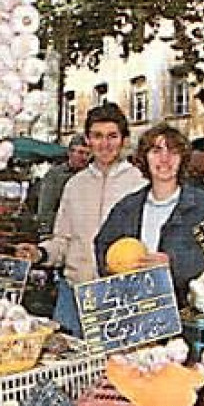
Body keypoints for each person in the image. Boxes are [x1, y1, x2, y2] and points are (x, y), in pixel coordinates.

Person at [15, 103, 144, 334]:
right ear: (88, 139)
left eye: (112, 136)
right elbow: (62, 240)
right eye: (97, 136)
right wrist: (40, 253)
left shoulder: (140, 184)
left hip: (121, 297)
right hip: (73, 295)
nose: (105, 144)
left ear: (124, 140)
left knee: (115, 368)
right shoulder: (74, 185)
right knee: (66, 363)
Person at [94, 123, 204, 305]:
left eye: (173, 152)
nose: (164, 159)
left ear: (183, 159)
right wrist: (116, 267)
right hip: (134, 310)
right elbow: (102, 246)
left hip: (185, 313)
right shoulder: (127, 207)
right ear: (144, 158)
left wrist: (174, 264)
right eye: (156, 151)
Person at [35, 135, 91, 236]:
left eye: (87, 154)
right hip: (58, 231)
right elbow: (46, 206)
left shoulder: (91, 175)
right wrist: (46, 232)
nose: (84, 158)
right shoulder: (55, 175)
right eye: (81, 152)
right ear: (70, 153)